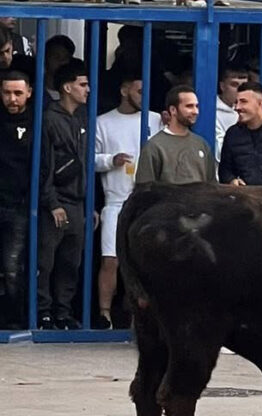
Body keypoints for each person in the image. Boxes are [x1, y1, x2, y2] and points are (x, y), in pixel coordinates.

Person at [93, 75, 160, 329]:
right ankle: (104, 315)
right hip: (116, 200)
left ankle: (140, 319)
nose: (144, 95)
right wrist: (111, 160)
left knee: (144, 263)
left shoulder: (155, 120)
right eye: (139, 89)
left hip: (147, 201)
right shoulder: (103, 122)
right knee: (110, 260)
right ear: (124, 90)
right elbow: (90, 158)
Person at [38, 59, 89, 330]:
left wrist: (89, 202)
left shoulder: (80, 119)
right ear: (67, 88)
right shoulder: (49, 118)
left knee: (71, 262)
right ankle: (44, 313)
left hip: (78, 202)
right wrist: (52, 202)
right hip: (57, 202)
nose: (88, 89)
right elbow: (44, 165)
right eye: (82, 84)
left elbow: (83, 164)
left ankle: (63, 312)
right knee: (46, 262)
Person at [0, 70, 34, 328]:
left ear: (29, 93)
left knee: (13, 267)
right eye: (7, 93)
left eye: (18, 93)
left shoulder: (37, 121)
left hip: (20, 205)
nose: (12, 99)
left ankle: (15, 321)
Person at [135, 85, 216, 185]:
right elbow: (144, 191)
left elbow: (212, 186)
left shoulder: (202, 144)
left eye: (197, 106)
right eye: (189, 106)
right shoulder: (154, 146)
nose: (196, 111)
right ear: (173, 110)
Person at [215, 57, 246, 157]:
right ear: (222, 86)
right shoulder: (211, 110)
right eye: (234, 85)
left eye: (244, 85)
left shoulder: (253, 110)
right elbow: (219, 151)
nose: (240, 90)